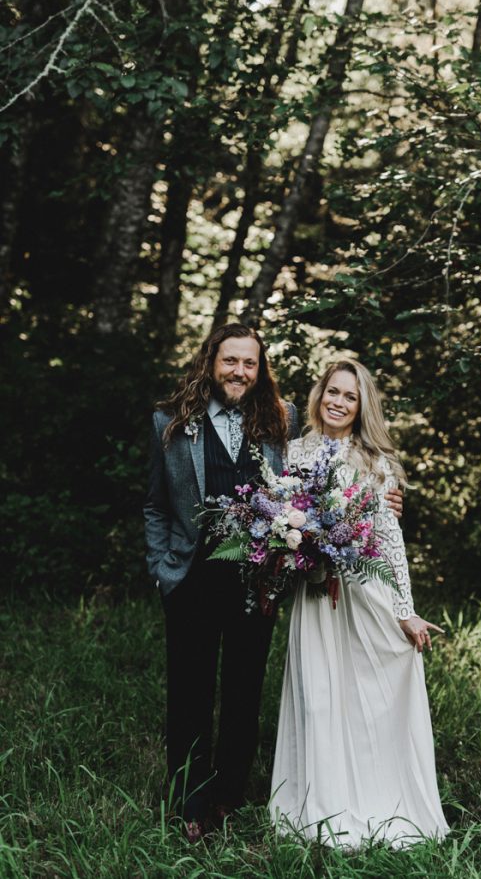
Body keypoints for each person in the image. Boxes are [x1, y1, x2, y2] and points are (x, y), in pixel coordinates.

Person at [144, 324, 405, 840]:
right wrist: (161, 569)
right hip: (190, 578)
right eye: (230, 361)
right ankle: (189, 804)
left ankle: (227, 797)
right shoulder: (170, 423)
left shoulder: (279, 422)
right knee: (190, 694)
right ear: (211, 362)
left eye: (250, 363)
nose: (240, 371)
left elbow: (328, 481)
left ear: (260, 370)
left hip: (257, 580)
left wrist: (384, 498)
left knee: (243, 693)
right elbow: (155, 504)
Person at [270, 359, 449, 849]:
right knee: (319, 696)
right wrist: (298, 556)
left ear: (361, 406)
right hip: (315, 597)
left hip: (363, 593)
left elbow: (390, 543)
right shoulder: (291, 453)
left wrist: (405, 609)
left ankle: (380, 797)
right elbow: (281, 525)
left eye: (350, 397)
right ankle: (319, 803)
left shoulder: (377, 462)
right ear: (319, 394)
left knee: (366, 698)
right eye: (333, 391)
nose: (338, 402)